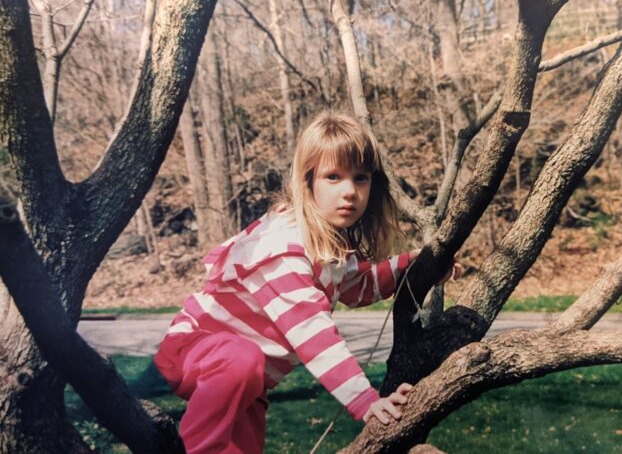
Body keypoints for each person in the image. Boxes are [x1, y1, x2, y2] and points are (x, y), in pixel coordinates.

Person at [154, 112, 458, 453]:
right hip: (200, 350)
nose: (349, 192)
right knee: (231, 384)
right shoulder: (284, 248)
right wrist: (364, 401)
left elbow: (357, 287)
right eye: (333, 177)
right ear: (307, 180)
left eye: (360, 178)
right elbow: (311, 333)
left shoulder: (328, 246)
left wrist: (415, 266)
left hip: (246, 381)